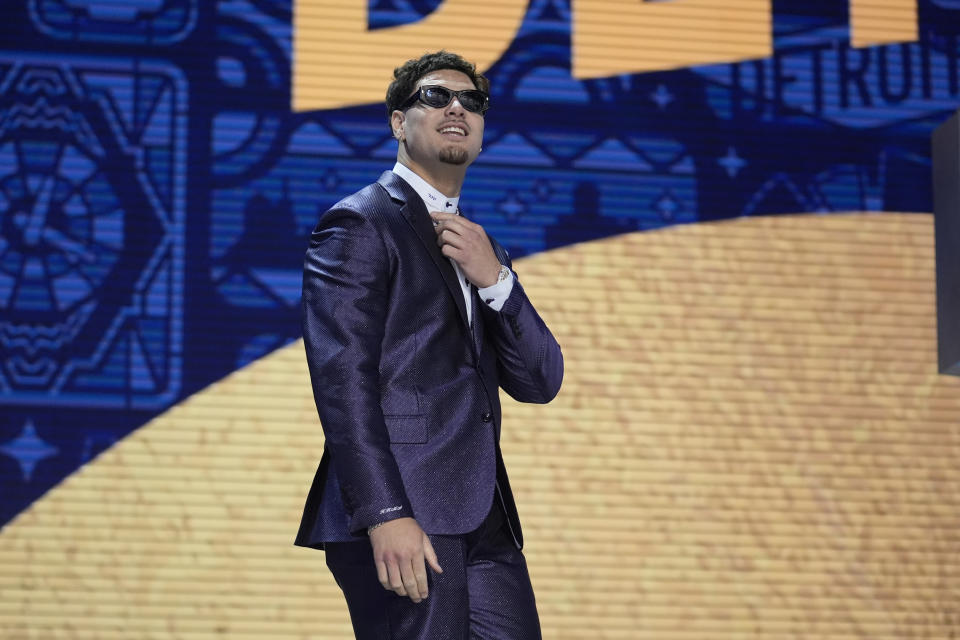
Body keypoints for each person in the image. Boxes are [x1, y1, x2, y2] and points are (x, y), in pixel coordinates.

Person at [295, 50, 564, 639]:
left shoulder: (479, 245)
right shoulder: (361, 223)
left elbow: (541, 380)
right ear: (398, 122)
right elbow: (344, 383)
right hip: (402, 510)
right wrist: (385, 514)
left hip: (483, 515)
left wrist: (496, 279)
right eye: (435, 97)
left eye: (472, 102)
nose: (456, 108)